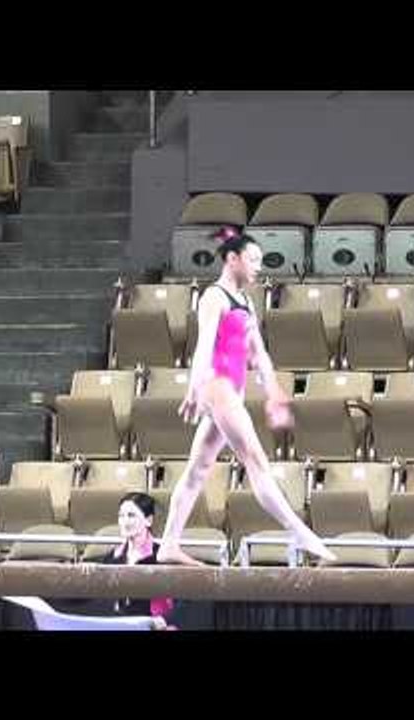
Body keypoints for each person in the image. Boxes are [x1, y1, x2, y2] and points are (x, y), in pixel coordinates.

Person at [156, 228, 336, 566]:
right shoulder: (214, 297)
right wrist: (194, 388)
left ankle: (168, 544)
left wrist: (273, 392)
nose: (258, 267)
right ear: (232, 259)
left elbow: (259, 354)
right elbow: (204, 345)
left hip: (232, 391)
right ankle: (299, 531)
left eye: (260, 261)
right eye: (252, 259)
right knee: (255, 459)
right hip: (217, 385)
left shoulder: (247, 302)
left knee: (199, 469)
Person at [99, 492, 176, 630]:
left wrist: (164, 620)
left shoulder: (162, 556)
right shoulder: (113, 556)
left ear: (148, 520)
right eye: (121, 516)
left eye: (131, 515)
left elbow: (183, 602)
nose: (125, 521)